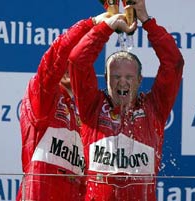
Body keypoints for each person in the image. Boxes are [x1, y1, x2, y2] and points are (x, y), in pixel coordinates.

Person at [68, 0, 184, 200]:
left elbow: (174, 63)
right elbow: (78, 60)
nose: (122, 83)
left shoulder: (154, 108)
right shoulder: (92, 107)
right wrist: (107, 26)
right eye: (116, 77)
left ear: (140, 80)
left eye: (129, 77)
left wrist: (146, 20)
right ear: (106, 80)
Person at [16, 13, 111, 201]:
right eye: (64, 60)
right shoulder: (42, 95)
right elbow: (54, 60)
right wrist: (92, 24)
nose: (67, 64)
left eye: (72, 60)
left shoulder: (82, 114)